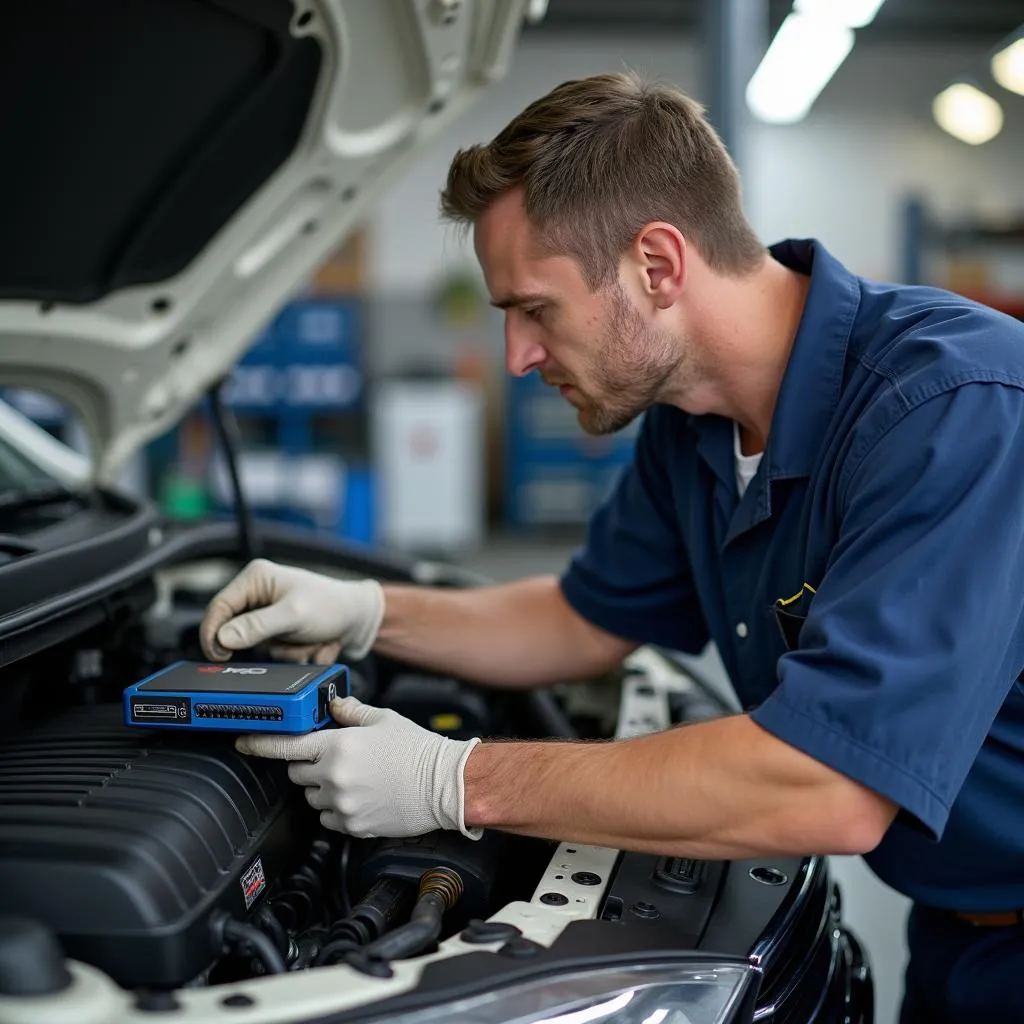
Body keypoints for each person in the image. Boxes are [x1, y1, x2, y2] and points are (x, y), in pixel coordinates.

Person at [199, 72, 1024, 1022]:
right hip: (955, 932)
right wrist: (366, 610)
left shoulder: (953, 411)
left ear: (659, 267)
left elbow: (827, 787)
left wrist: (453, 780)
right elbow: (579, 619)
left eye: (535, 308)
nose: (514, 355)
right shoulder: (693, 424)